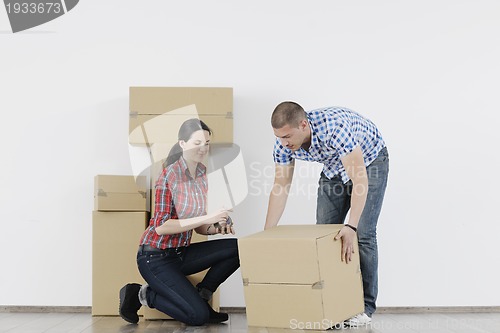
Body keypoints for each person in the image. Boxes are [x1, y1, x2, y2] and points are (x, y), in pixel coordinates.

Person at [265, 102, 389, 327]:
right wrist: (267, 233)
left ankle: (364, 307)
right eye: (279, 137)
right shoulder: (282, 144)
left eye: (287, 136)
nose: (283, 143)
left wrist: (350, 226)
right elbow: (281, 187)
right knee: (325, 235)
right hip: (334, 167)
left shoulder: (335, 128)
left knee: (363, 233)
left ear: (303, 125)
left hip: (370, 160)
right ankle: (334, 305)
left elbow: (360, 180)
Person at [119, 118, 240, 326]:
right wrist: (208, 217)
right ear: (183, 144)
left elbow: (199, 227)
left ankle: (202, 295)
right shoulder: (169, 176)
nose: (203, 148)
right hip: (155, 258)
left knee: (238, 248)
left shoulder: (201, 174)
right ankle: (143, 294)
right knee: (198, 317)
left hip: (180, 253)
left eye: (207, 143)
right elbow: (162, 226)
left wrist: (216, 227)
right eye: (197, 143)